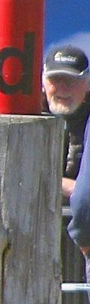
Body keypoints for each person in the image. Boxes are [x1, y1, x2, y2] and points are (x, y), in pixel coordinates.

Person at [45, 45, 90, 200]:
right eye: (55, 80)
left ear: (88, 83)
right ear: (43, 82)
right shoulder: (26, 118)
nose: (62, 88)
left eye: (71, 80)